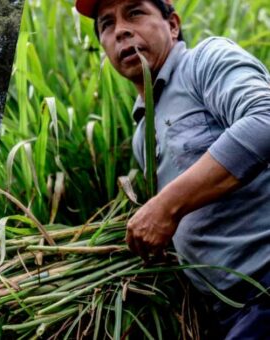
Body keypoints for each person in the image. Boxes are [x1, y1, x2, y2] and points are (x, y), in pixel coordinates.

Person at [76, 0, 270, 338]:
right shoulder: (142, 137)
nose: (120, 29)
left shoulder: (204, 61)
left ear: (173, 25)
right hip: (228, 310)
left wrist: (166, 205)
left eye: (135, 13)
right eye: (107, 24)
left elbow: (264, 119)